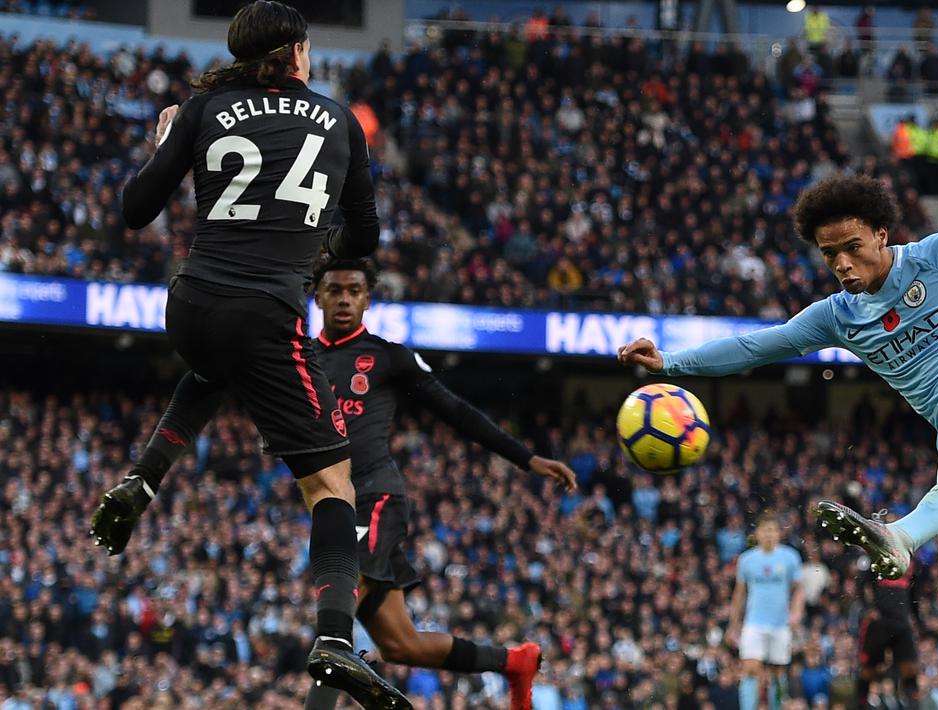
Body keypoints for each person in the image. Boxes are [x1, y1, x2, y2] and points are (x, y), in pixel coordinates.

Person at [617, 167, 938, 710]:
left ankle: (899, 536)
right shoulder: (839, 316)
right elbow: (759, 347)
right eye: (830, 255)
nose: (843, 265)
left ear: (882, 233)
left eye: (852, 247)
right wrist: (671, 361)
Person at [86, 2, 410, 707]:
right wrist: (311, 245)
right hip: (265, 316)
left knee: (213, 366)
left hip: (190, 304)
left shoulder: (204, 109)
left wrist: (163, 142)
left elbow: (134, 209)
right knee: (332, 486)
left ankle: (142, 478)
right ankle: (332, 636)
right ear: (295, 53)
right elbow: (366, 238)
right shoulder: (341, 121)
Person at [303, 257, 579, 710]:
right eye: (335, 290)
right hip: (330, 504)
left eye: (354, 290)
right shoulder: (303, 359)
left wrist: (526, 458)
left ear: (367, 298)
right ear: (319, 296)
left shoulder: (387, 356)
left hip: (372, 497)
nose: (345, 299)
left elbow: (456, 412)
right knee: (400, 645)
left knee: (335, 623)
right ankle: (514, 661)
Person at [726, 513, 804, 710]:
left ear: (779, 533)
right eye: (765, 530)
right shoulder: (746, 560)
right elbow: (739, 594)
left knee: (777, 673)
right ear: (757, 533)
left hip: (780, 624)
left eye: (773, 530)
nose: (769, 534)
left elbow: (798, 590)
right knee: (750, 669)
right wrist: (733, 624)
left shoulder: (790, 557)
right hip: (754, 623)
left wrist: (796, 612)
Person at [858, 557, 918, 707]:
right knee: (868, 670)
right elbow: (861, 583)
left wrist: (916, 618)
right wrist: (868, 608)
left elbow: (914, 592)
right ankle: (859, 704)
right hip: (880, 621)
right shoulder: (877, 556)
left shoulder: (911, 561)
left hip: (902, 621)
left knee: (910, 669)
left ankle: (913, 705)